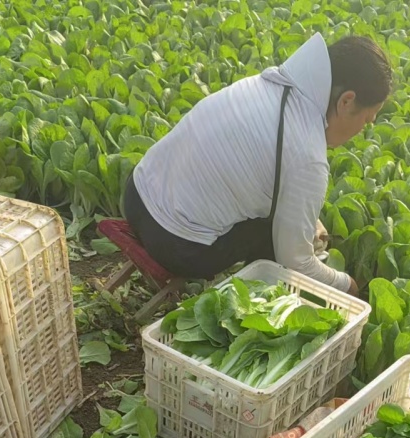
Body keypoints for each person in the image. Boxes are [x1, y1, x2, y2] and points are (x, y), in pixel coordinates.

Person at [124, 34, 391, 295]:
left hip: (135, 195)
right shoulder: (308, 155)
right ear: (346, 101)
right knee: (273, 239)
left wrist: (309, 222)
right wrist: (347, 285)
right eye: (367, 120)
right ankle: (259, 313)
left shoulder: (270, 82)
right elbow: (295, 262)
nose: (363, 129)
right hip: (176, 244)